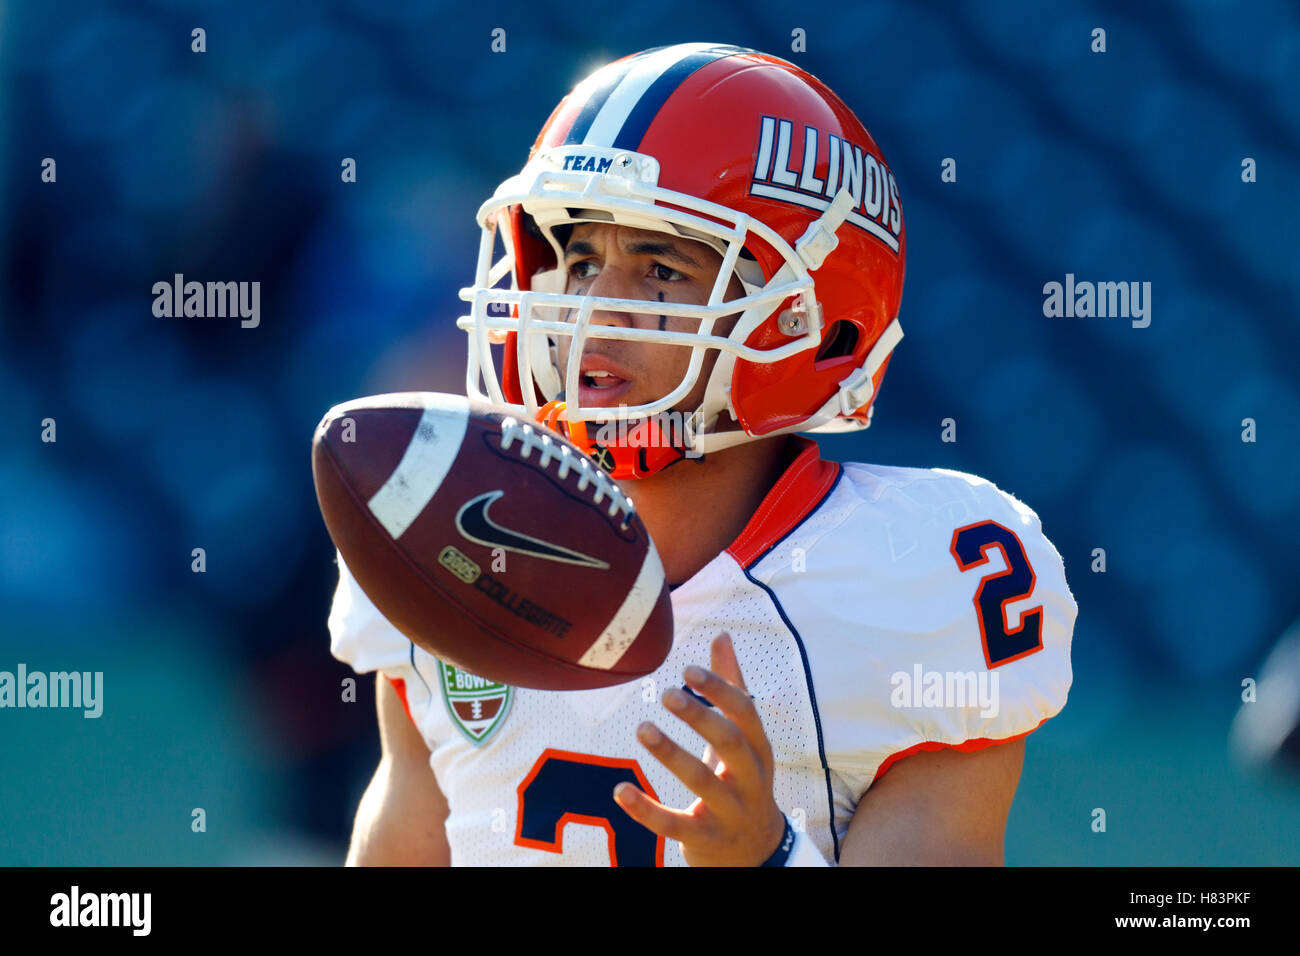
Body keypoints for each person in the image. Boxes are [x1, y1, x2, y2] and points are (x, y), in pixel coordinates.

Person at [329, 43, 1076, 866]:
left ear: (810, 317)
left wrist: (767, 857)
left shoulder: (918, 575)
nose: (594, 310)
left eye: (659, 269)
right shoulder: (451, 519)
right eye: (579, 261)